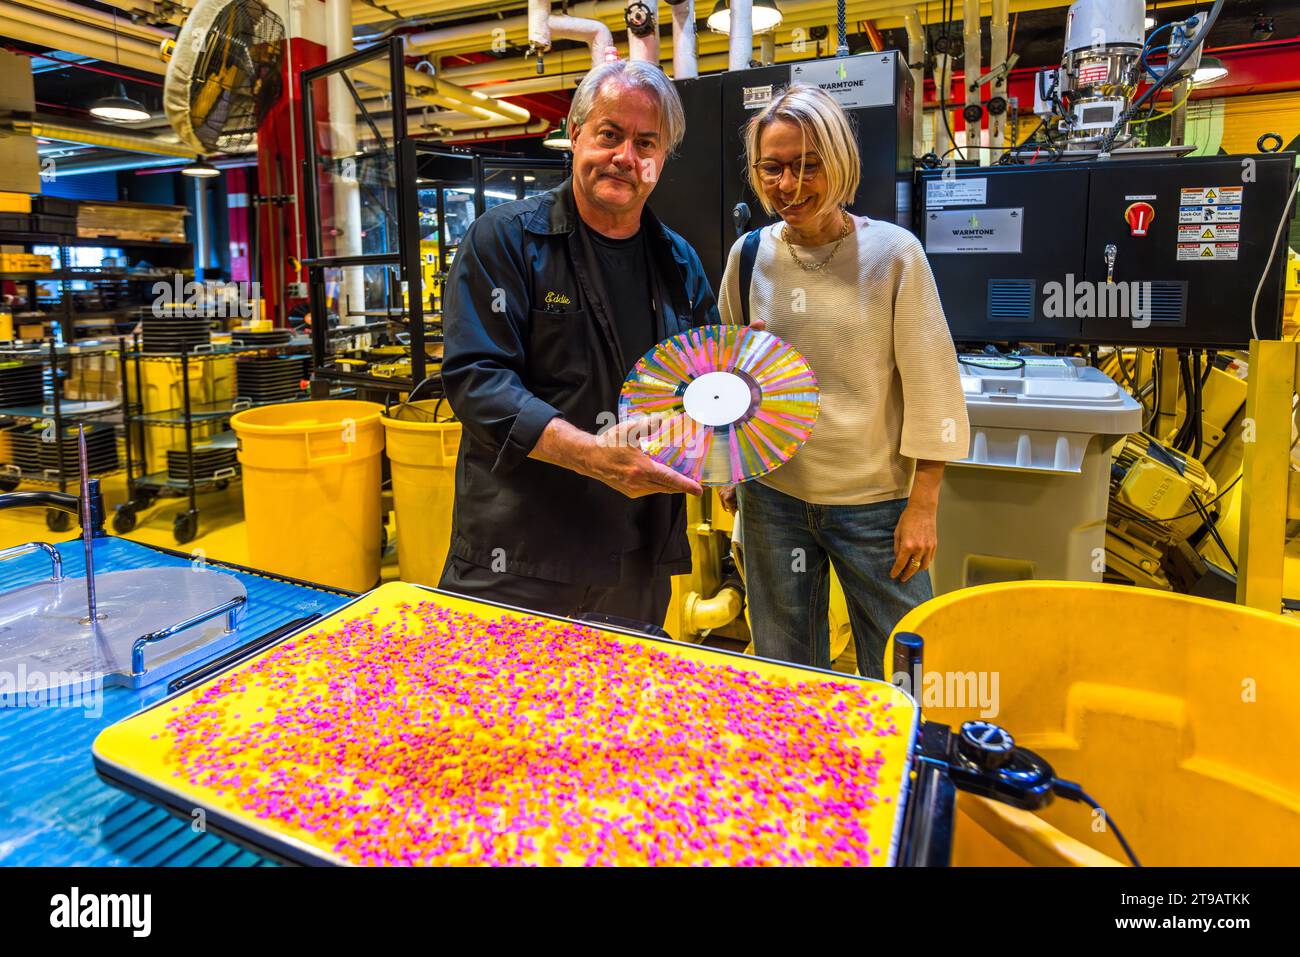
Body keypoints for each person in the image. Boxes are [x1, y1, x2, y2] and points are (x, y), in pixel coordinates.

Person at [438, 59, 719, 627]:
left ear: (661, 160)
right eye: (610, 134)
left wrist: (740, 384)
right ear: (575, 135)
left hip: (638, 552)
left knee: (620, 711)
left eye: (646, 143)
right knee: (494, 707)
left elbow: (703, 383)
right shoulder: (506, 240)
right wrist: (591, 455)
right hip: (520, 554)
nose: (625, 156)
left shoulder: (678, 262)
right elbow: (478, 381)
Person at [717, 84, 970, 680]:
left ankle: (902, 769)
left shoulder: (892, 253)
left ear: (840, 161)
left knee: (903, 663)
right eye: (772, 168)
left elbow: (933, 383)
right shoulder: (748, 255)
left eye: (808, 165)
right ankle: (794, 770)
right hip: (773, 496)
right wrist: (729, 461)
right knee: (784, 665)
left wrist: (923, 506)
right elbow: (724, 374)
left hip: (875, 502)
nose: (789, 185)